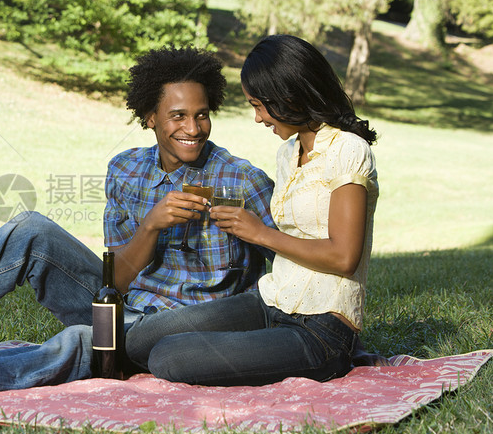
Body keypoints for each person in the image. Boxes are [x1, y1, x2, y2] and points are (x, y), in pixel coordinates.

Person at [0, 46, 276, 401]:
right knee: (30, 229)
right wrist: (152, 226)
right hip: (125, 306)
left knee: (84, 341)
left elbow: (291, 264)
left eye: (201, 115)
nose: (192, 129)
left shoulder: (242, 180)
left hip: (189, 329)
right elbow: (116, 282)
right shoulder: (126, 170)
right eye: (178, 116)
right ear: (150, 117)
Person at [124, 34, 379, 387]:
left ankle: (324, 358)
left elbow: (343, 257)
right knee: (139, 339)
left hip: (321, 329)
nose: (257, 118)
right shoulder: (289, 153)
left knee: (168, 356)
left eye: (259, 105)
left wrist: (259, 233)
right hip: (270, 300)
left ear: (289, 96)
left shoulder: (349, 150)